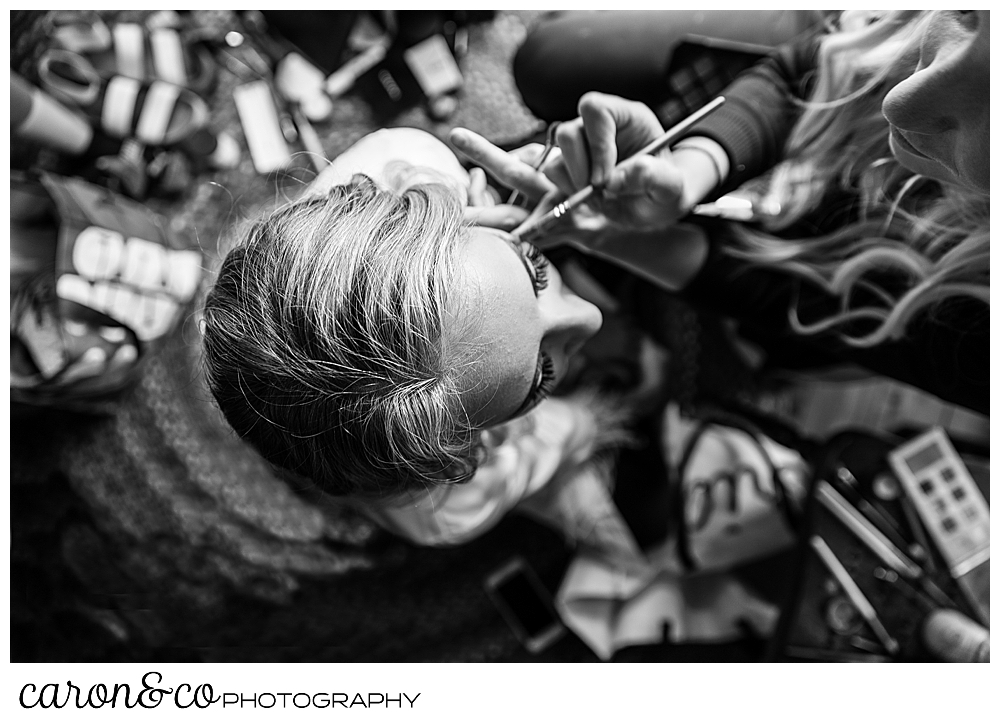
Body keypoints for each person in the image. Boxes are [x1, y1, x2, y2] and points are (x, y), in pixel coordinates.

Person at [451, 9, 989, 418]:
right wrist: (692, 169)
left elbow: (796, 302)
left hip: (797, 268)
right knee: (551, 60)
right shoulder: (899, 51)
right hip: (791, 137)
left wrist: (619, 239)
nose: (898, 102)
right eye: (969, 16)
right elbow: (805, 68)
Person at [202, 127, 638, 547]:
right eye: (539, 376)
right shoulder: (449, 509)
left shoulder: (412, 162)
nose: (591, 316)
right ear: (465, 447)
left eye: (534, 268)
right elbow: (573, 429)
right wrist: (602, 415)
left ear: (471, 212)